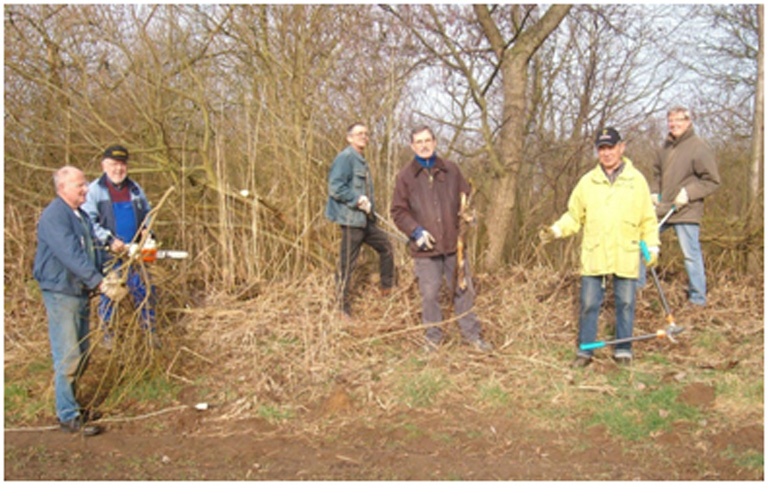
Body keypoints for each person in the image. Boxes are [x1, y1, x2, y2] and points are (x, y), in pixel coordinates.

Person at [539, 128, 659, 367]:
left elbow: (648, 219)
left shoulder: (637, 181)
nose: (606, 153)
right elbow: (574, 216)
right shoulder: (587, 182)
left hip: (626, 252)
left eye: (610, 147)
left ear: (621, 148)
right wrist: (556, 230)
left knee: (625, 303)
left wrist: (653, 248)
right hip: (595, 253)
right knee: (589, 304)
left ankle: (623, 350)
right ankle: (585, 351)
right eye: (602, 149)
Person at [391, 125, 492, 353]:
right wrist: (416, 231)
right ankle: (433, 339)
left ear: (435, 142)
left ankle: (472, 336)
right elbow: (398, 211)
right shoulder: (405, 177)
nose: (424, 145)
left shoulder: (451, 170)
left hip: (453, 245)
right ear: (412, 146)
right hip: (425, 250)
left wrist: (469, 217)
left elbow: (467, 199)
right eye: (419, 141)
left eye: (428, 140)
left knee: (463, 290)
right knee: (429, 294)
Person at [33, 166, 110, 436]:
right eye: (79, 185)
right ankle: (67, 414)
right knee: (68, 355)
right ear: (63, 187)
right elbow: (70, 254)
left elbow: (91, 250)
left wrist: (111, 260)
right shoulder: (55, 216)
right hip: (61, 290)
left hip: (77, 289)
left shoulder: (79, 216)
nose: (85, 189)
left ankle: (73, 405)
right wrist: (99, 281)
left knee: (83, 352)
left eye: (85, 183)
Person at [639, 107, 720, 308]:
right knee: (641, 246)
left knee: (690, 255)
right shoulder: (665, 147)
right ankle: (638, 290)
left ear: (688, 122)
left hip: (687, 210)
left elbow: (712, 181)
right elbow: (657, 173)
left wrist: (689, 193)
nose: (674, 124)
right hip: (663, 208)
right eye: (671, 120)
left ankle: (698, 299)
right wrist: (654, 191)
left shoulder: (699, 147)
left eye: (678, 120)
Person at [82, 145, 159, 348]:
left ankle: (150, 333)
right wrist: (108, 240)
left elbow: (148, 213)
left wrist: (147, 231)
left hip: (134, 254)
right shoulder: (94, 191)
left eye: (122, 164)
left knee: (145, 291)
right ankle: (109, 336)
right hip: (109, 255)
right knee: (110, 296)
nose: (118, 169)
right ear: (104, 165)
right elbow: (88, 222)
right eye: (114, 164)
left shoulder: (135, 189)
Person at [325, 123, 394, 318]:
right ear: (349, 138)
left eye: (366, 133)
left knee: (386, 247)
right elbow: (335, 187)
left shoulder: (362, 160)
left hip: (365, 221)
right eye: (359, 134)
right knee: (347, 264)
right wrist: (357, 199)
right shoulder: (345, 158)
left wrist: (370, 207)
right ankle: (341, 307)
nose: (364, 136)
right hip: (350, 220)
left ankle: (387, 290)